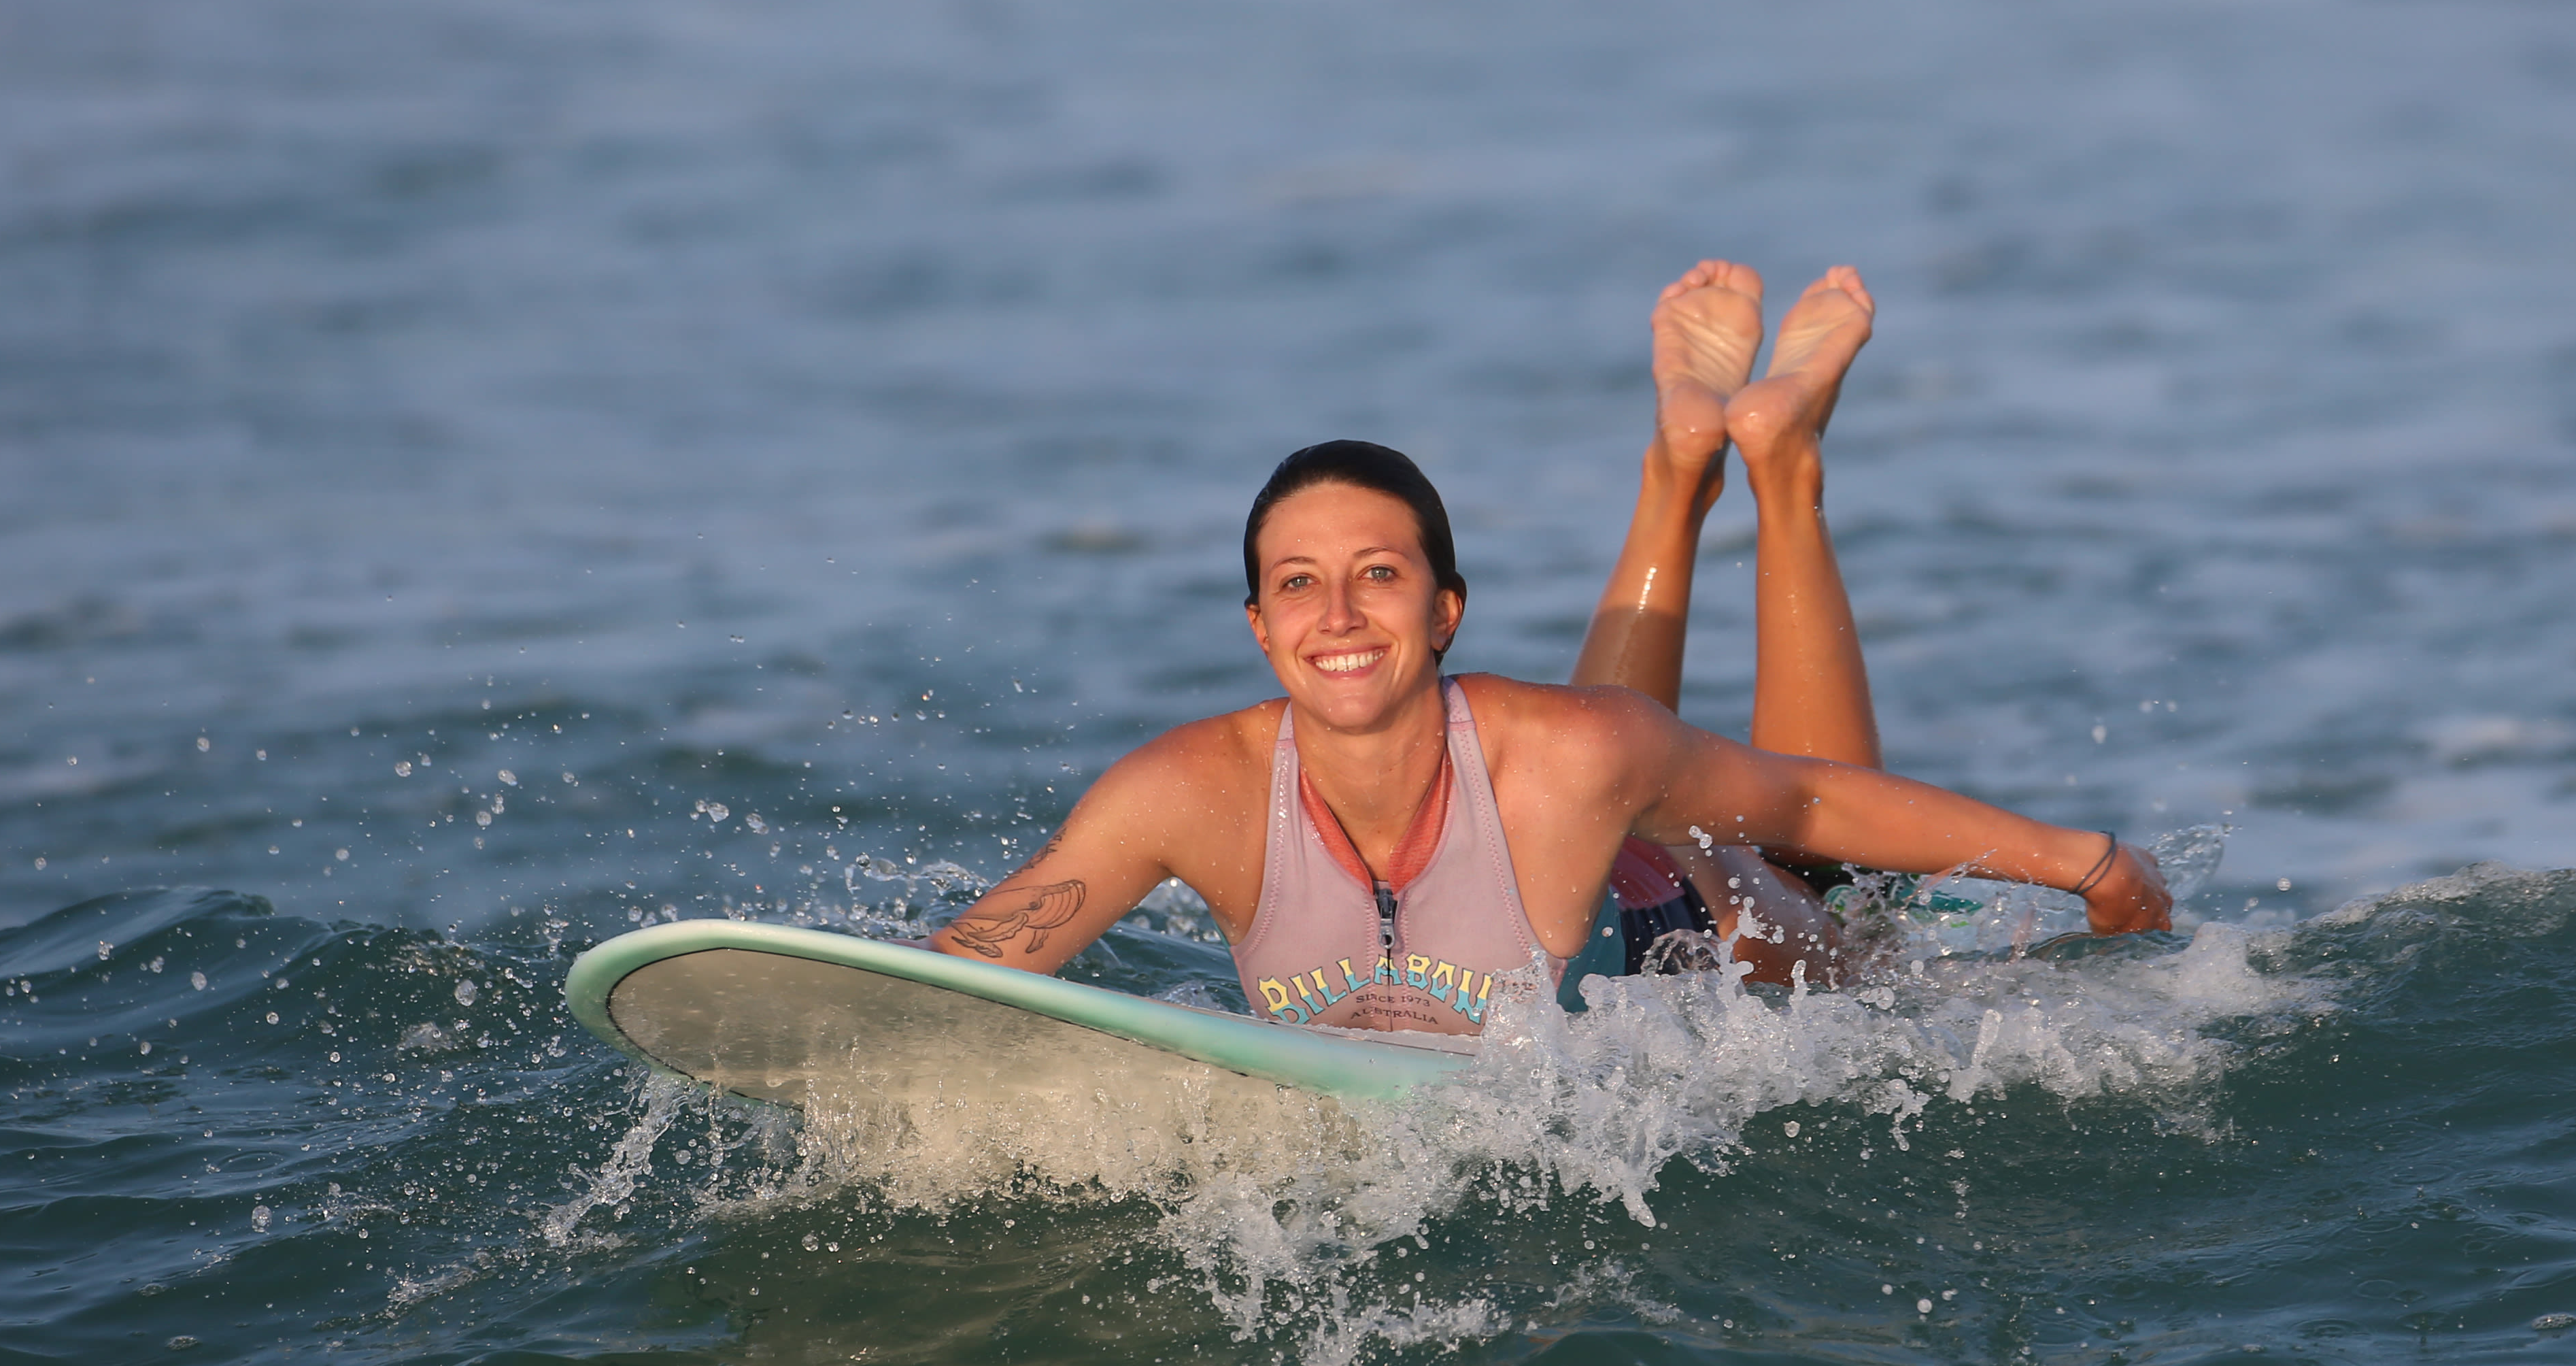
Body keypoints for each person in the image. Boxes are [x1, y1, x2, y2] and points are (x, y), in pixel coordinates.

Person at [927, 262, 2171, 1033]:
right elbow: (956, 977)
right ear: (1260, 628)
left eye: (1379, 575)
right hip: (1569, 840)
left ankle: (1775, 465)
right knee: (1596, 773)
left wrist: (2089, 865)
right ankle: (1681, 462)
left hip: (1686, 929)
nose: (1338, 614)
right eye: (1299, 585)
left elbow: (1804, 793)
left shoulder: (1565, 752)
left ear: (1445, 611)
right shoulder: (1186, 793)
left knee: (1843, 900)